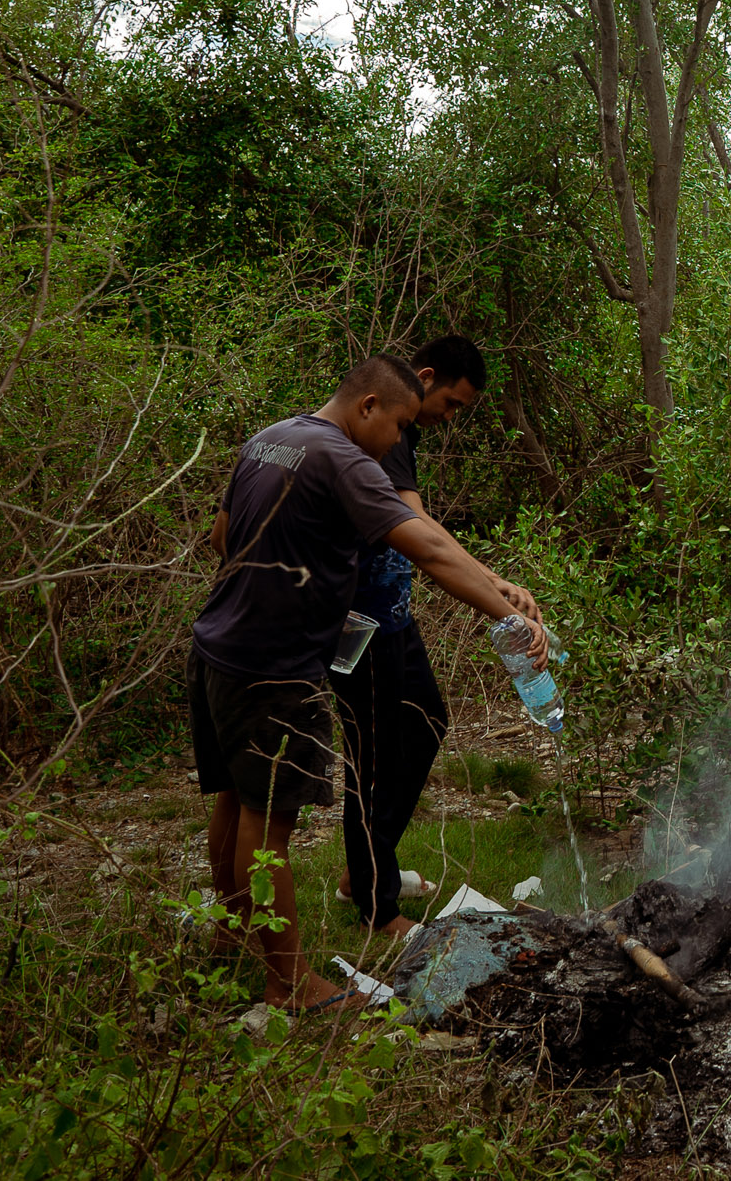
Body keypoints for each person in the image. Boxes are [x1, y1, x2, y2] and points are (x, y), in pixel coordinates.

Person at [192, 353, 548, 1014]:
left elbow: (221, 535)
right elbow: (431, 550)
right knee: (268, 823)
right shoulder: (344, 459)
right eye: (400, 425)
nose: (399, 444)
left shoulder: (271, 437)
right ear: (368, 408)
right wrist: (510, 617)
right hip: (273, 663)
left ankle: (233, 931)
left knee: (235, 802)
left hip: (218, 643)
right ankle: (291, 984)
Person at [332, 333, 518, 937]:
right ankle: (375, 906)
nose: (450, 417)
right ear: (427, 375)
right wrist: (499, 600)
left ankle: (366, 868)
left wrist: (493, 580)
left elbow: (421, 525)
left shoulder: (399, 433)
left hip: (393, 617)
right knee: (373, 752)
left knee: (426, 720)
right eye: (454, 404)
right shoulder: (376, 430)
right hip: (355, 623)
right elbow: (417, 531)